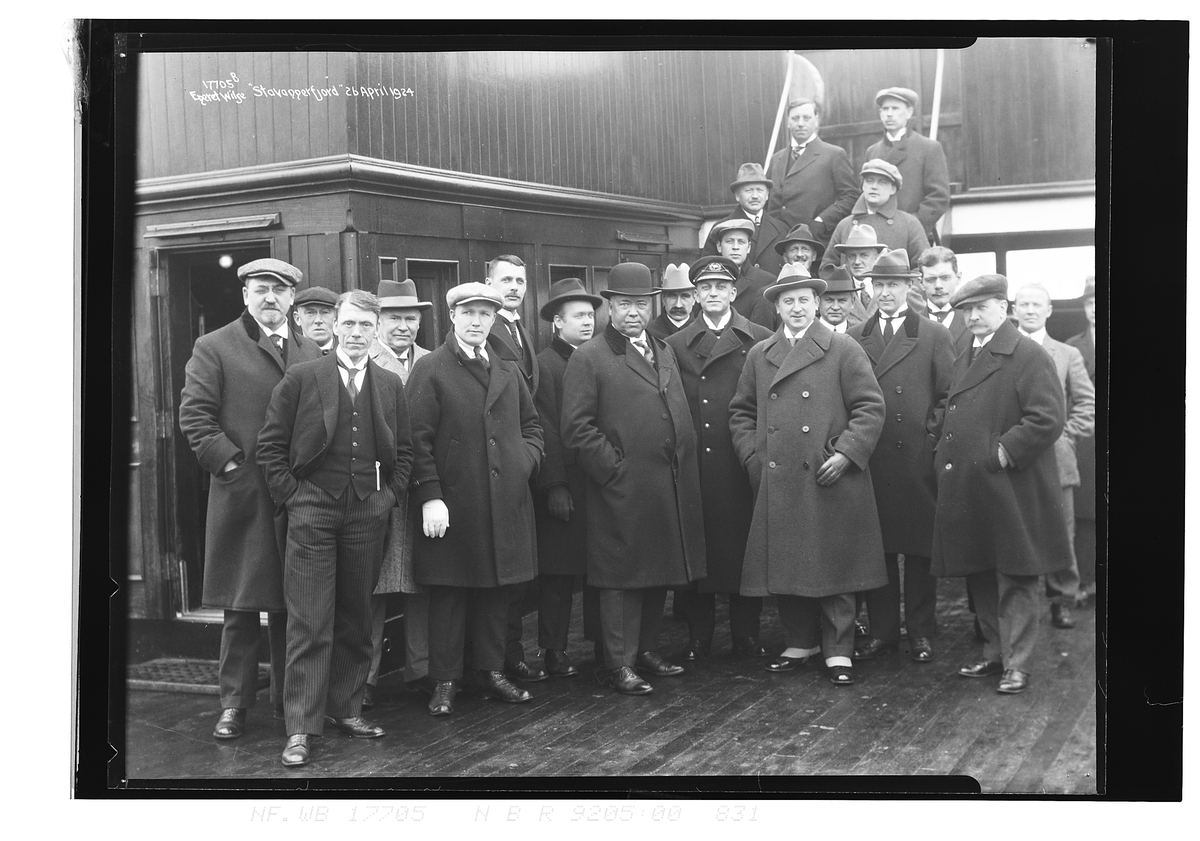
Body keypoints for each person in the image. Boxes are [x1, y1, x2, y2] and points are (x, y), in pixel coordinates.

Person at [257, 289, 415, 767]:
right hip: (312, 513)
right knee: (308, 620)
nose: (356, 334)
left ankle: (346, 709)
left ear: (376, 330)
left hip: (367, 512)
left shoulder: (389, 384)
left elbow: (404, 454)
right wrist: (295, 497)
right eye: (349, 324)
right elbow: (270, 447)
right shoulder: (303, 377)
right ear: (333, 325)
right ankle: (301, 727)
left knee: (355, 617)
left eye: (366, 326)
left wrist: (387, 499)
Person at [178, 258, 321, 742]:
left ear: (292, 299)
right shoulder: (215, 346)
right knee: (240, 606)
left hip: (297, 496)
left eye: (280, 292)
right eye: (261, 290)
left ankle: (288, 704)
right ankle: (234, 704)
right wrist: (232, 465)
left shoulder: (309, 351)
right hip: (245, 494)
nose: (270, 299)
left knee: (291, 602)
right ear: (245, 295)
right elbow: (196, 418)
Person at [729, 263, 888, 686]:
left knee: (835, 566)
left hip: (829, 474)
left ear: (817, 303)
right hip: (780, 477)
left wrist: (847, 455)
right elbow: (741, 412)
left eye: (803, 299)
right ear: (777, 307)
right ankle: (800, 641)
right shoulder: (760, 355)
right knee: (789, 563)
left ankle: (839, 651)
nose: (796, 307)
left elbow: (870, 408)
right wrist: (753, 458)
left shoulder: (843, 348)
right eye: (788, 300)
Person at [561, 262, 707, 696]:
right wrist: (614, 469)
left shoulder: (662, 349)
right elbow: (576, 428)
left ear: (653, 305)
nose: (633, 313)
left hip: (666, 485)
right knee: (621, 577)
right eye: (624, 304)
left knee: (656, 569)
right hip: (621, 488)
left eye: (641, 304)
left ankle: (645, 650)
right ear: (610, 306)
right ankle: (617, 663)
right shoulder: (590, 357)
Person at [406, 282, 544, 716]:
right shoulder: (431, 367)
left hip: (504, 502)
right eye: (468, 313)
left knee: (496, 592)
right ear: (452, 317)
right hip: (453, 504)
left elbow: (533, 428)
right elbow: (415, 440)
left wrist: (523, 463)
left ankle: (490, 671)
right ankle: (445, 681)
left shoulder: (506, 368)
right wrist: (430, 496)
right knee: (450, 594)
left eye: (485, 314)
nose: (476, 322)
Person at [932, 274, 1071, 695]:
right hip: (972, 488)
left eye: (982, 307)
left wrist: (1001, 452)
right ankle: (996, 654)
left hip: (1011, 486)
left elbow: (1047, 418)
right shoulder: (966, 353)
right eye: (966, 310)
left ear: (1002, 307)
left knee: (1017, 576)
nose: (973, 316)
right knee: (980, 573)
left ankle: (1019, 664)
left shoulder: (1027, 353)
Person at [847, 249, 955, 664]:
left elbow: (947, 396)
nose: (886, 292)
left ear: (910, 287)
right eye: (880, 284)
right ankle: (884, 632)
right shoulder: (855, 336)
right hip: (873, 459)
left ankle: (922, 632)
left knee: (921, 549)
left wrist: (930, 440)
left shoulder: (931, 334)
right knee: (881, 550)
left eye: (894, 284)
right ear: (871, 289)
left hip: (916, 459)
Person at [666, 257, 774, 661]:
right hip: (697, 464)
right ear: (695, 295)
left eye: (721, 287)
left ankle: (747, 635)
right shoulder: (675, 345)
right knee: (701, 551)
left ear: (733, 293)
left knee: (745, 550)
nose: (713, 294)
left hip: (740, 461)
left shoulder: (760, 339)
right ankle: (699, 638)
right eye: (705, 288)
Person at [362, 279, 434, 707]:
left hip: (422, 492)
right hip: (377, 491)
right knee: (370, 584)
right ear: (376, 323)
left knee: (422, 582)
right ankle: (365, 678)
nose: (402, 326)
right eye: (393, 318)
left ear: (421, 321)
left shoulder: (432, 362)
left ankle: (420, 670)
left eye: (410, 318)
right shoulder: (361, 359)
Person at [533, 278, 606, 677]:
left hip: (599, 480)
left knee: (600, 567)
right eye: (578, 316)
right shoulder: (546, 364)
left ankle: (600, 644)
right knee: (559, 574)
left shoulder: (600, 358)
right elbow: (544, 427)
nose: (588, 322)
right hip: (564, 484)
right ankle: (553, 649)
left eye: (591, 315)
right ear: (557, 323)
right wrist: (555, 484)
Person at [1013, 283, 1096, 629]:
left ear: (1049, 310)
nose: (1030, 310)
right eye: (1024, 304)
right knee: (1019, 532)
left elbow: (1087, 404)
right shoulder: (1003, 350)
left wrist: (1063, 436)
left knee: (1062, 532)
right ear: (1013, 309)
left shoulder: (1067, 354)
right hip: (1013, 460)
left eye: (1037, 304)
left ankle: (1062, 599)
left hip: (1056, 461)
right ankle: (1021, 605)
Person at [483, 254, 547, 684]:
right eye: (505, 279)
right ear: (487, 283)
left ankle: (512, 651)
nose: (514, 287)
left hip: (520, 470)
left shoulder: (521, 331)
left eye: (520, 281)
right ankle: (500, 658)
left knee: (519, 572)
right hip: (493, 469)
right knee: (499, 570)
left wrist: (528, 459)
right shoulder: (484, 330)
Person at [821, 159, 929, 292]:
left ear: (893, 189)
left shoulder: (909, 224)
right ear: (862, 186)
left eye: (882, 182)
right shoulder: (845, 225)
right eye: (869, 181)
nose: (874, 186)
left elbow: (925, 268)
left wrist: (903, 292)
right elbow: (827, 269)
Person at [765, 98, 859, 241]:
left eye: (806, 118)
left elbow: (850, 196)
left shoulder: (833, 154)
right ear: (788, 123)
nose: (801, 123)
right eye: (795, 118)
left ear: (816, 121)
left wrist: (821, 221)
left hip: (814, 240)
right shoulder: (776, 158)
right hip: (779, 243)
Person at [865, 87, 951, 242]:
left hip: (913, 235)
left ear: (909, 113)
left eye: (895, 108)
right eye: (885, 109)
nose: (889, 114)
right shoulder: (872, 152)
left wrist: (912, 226)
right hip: (878, 236)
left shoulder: (928, 148)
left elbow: (939, 197)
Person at [1066, 277, 1098, 605]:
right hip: (1089, 442)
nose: (1096, 309)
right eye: (1090, 303)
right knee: (1087, 513)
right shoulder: (1072, 346)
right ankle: (1087, 581)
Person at [702, 163, 789, 276]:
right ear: (737, 195)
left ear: (767, 195)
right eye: (748, 190)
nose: (755, 196)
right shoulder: (721, 228)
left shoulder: (782, 229)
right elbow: (708, 270)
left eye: (759, 190)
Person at [707, 218, 776, 329]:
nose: (735, 247)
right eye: (729, 241)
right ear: (719, 246)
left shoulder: (766, 281)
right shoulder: (707, 281)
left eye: (741, 242)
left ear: (748, 247)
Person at [918, 246, 970, 344]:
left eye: (945, 278)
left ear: (958, 278)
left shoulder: (972, 320)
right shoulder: (911, 324)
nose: (938, 286)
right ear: (921, 283)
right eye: (931, 280)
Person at [646, 263, 698, 341]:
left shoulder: (703, 333)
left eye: (685, 296)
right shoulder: (648, 333)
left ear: (694, 298)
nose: (678, 305)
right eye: (672, 296)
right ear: (663, 298)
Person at [292, 285, 339, 355]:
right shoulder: (290, 353)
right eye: (310, 313)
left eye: (325, 312)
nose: (318, 320)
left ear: (336, 318)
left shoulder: (347, 352)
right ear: (297, 319)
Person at [817, 264, 863, 333]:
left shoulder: (861, 335)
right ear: (818, 301)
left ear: (852, 302)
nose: (835, 307)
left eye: (842, 300)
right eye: (829, 300)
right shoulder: (805, 334)